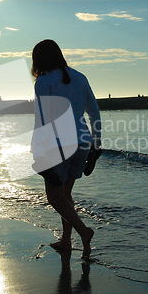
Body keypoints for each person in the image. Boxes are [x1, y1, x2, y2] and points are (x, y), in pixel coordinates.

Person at [31, 39, 101, 260]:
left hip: (57, 143)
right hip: (81, 141)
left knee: (54, 197)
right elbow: (95, 112)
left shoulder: (44, 81)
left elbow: (43, 118)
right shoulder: (80, 77)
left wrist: (37, 148)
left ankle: (84, 231)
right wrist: (96, 144)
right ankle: (66, 241)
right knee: (65, 195)